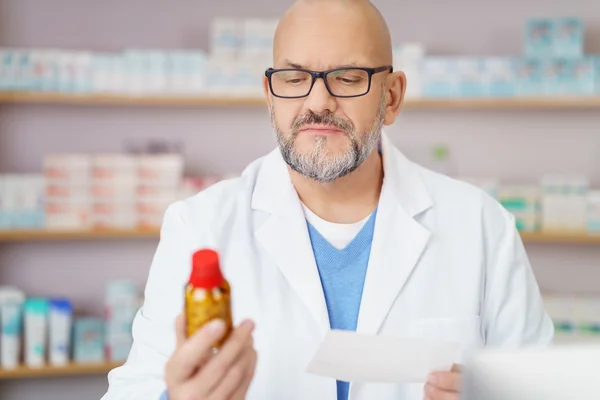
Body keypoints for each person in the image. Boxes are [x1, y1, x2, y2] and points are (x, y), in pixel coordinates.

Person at [102, 0, 554, 399]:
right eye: (295, 78)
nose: (318, 102)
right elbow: (134, 389)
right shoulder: (199, 226)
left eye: (348, 77)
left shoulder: (480, 226)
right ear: (269, 95)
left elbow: (542, 386)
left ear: (392, 97)